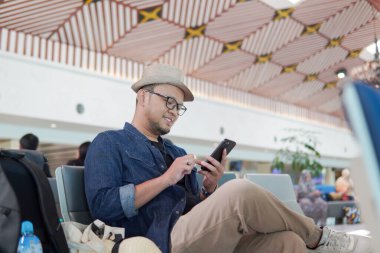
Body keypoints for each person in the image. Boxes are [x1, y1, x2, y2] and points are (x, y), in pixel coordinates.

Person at [85, 64, 372, 253]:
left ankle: (309, 238)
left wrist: (209, 188)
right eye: (168, 101)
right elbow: (104, 206)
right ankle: (321, 238)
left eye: (179, 107)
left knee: (288, 243)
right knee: (240, 189)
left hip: (198, 235)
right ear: (143, 97)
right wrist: (166, 178)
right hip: (158, 240)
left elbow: (197, 207)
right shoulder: (110, 143)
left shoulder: (176, 152)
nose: (174, 111)